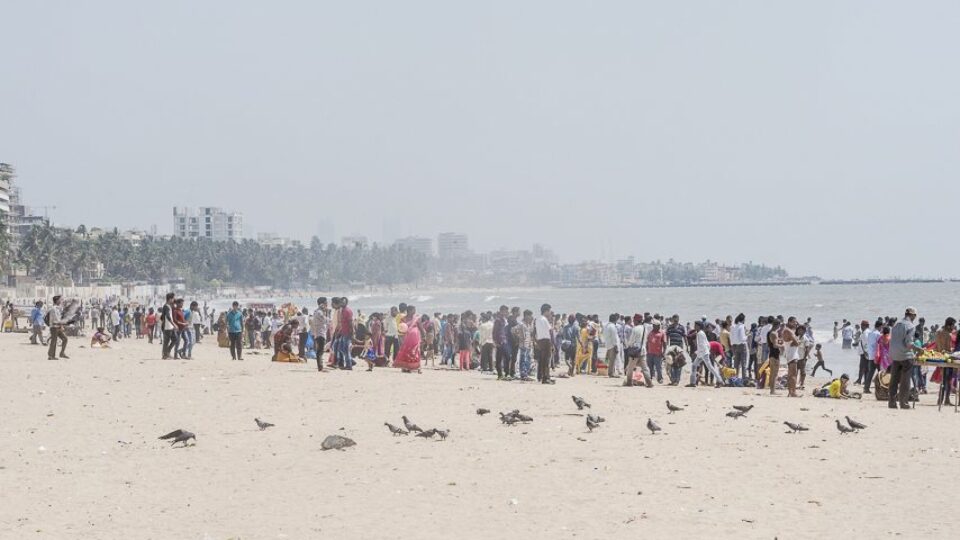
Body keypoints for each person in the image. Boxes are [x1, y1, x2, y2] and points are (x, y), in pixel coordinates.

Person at [889, 307, 920, 410]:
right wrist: (918, 349)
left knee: (894, 380)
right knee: (905, 381)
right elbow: (908, 343)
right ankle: (904, 403)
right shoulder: (911, 326)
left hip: (894, 355)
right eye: (915, 316)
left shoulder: (896, 325)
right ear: (912, 315)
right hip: (906, 356)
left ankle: (892, 403)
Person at [687, 321, 724, 388]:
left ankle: (720, 381)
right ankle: (692, 383)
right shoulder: (700, 333)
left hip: (703, 354)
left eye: (695, 325)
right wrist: (698, 352)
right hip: (701, 353)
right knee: (694, 365)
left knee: (710, 368)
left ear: (699, 326)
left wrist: (700, 353)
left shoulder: (700, 334)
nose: (694, 326)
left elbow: (703, 345)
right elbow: (706, 344)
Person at [623, 314, 652, 387]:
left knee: (630, 368)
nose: (633, 321)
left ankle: (629, 382)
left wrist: (628, 346)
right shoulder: (645, 328)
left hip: (635, 351)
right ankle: (649, 383)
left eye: (634, 320)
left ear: (636, 320)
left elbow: (631, 341)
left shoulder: (635, 329)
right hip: (643, 350)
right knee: (645, 368)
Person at [534, 304, 554, 384]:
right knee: (546, 360)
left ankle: (541, 376)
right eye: (549, 311)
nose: (549, 313)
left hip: (540, 340)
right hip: (546, 340)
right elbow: (550, 330)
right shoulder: (544, 319)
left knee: (541, 360)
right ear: (546, 311)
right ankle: (545, 378)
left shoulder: (537, 319)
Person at [46, 295, 70, 360]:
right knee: (54, 341)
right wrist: (61, 325)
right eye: (60, 300)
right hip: (54, 327)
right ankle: (51, 355)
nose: (61, 301)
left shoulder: (57, 308)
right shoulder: (53, 309)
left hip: (57, 327)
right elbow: (56, 319)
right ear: (57, 301)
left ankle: (62, 353)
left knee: (65, 339)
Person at [765, 319, 783, 394]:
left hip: (771, 353)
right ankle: (773, 390)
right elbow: (775, 345)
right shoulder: (774, 333)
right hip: (775, 354)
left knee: (772, 373)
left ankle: (772, 390)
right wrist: (782, 346)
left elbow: (770, 344)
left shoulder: (769, 332)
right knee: (775, 373)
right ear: (777, 325)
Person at [602, 313, 621, 378]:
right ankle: (611, 373)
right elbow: (614, 337)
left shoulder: (606, 326)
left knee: (609, 359)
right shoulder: (612, 326)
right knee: (612, 360)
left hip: (608, 344)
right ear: (615, 319)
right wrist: (616, 346)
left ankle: (610, 372)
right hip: (612, 345)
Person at [160, 293, 178, 359]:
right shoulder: (166, 306)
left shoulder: (168, 306)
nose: (174, 300)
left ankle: (167, 352)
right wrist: (174, 324)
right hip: (167, 327)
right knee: (166, 341)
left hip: (170, 326)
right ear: (170, 299)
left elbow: (162, 317)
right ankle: (165, 355)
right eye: (173, 298)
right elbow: (167, 316)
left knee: (175, 339)